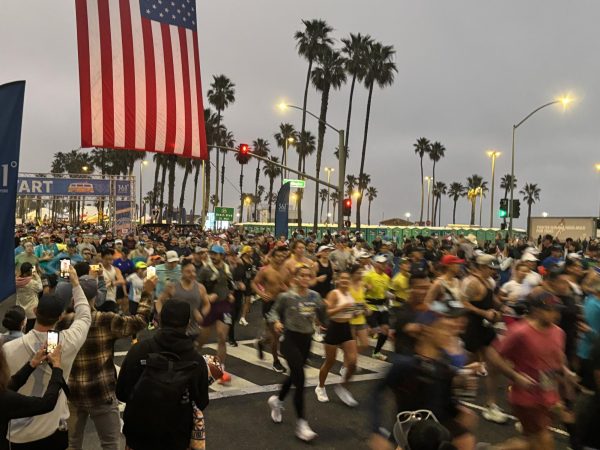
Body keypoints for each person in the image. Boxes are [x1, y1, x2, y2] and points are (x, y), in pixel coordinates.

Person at [3, 266, 91, 449]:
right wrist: (75, 282)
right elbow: (84, 316)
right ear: (60, 317)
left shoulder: (8, 349)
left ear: (35, 312)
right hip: (53, 430)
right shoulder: (67, 342)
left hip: (18, 435)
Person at [65, 274, 153, 450]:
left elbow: (51, 354)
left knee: (72, 444)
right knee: (110, 443)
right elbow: (140, 321)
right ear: (96, 296)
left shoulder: (63, 322)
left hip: (72, 392)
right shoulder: (106, 319)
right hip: (101, 391)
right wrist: (147, 294)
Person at [368, 312, 478, 450]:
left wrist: (459, 410)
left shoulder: (444, 365)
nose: (449, 334)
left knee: (466, 440)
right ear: (428, 330)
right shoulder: (406, 364)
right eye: (443, 329)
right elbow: (376, 393)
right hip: (410, 435)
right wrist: (377, 432)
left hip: (436, 434)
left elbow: (443, 401)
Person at [488, 291, 577, 450]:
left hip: (550, 395)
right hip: (527, 398)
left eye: (557, 310)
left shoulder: (559, 332)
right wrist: (515, 376)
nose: (555, 314)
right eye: (550, 310)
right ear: (536, 311)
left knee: (533, 442)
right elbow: (493, 355)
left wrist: (566, 372)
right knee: (544, 443)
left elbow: (558, 356)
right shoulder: (519, 332)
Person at [116, 299, 209, 450]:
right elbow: (201, 402)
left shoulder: (140, 350)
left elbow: (121, 393)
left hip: (139, 434)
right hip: (176, 436)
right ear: (187, 323)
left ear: (159, 320)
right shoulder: (195, 360)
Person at [267, 265, 327, 442]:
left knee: (294, 375)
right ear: (295, 278)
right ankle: (302, 424)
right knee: (300, 379)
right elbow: (272, 313)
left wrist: (327, 323)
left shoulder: (315, 297)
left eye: (309, 276)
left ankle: (277, 401)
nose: (306, 278)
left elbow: (324, 317)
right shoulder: (287, 297)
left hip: (306, 340)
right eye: (302, 275)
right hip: (289, 339)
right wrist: (277, 322)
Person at [461, 253, 507, 424]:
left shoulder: (488, 281)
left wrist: (501, 306)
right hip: (473, 328)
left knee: (494, 364)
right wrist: (484, 313)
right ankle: (446, 389)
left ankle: (491, 404)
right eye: (490, 267)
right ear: (481, 267)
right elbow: (463, 303)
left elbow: (491, 297)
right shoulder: (471, 282)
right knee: (465, 362)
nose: (493, 270)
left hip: (486, 328)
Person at [0, 343, 64, 450]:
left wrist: (32, 364)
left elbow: (9, 388)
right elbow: (46, 403)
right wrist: (57, 367)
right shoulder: (4, 399)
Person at [315, 270, 359, 407]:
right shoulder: (334, 294)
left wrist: (356, 312)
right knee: (330, 361)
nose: (345, 281)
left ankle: (342, 387)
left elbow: (350, 313)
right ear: (338, 280)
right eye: (343, 279)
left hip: (346, 328)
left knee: (352, 363)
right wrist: (342, 307)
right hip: (334, 328)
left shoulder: (349, 294)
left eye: (347, 279)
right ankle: (320, 387)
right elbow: (327, 312)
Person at [197, 245, 234, 383]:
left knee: (222, 337)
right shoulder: (205, 270)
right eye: (211, 253)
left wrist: (231, 294)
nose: (213, 256)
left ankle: (220, 370)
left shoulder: (227, 268)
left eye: (216, 254)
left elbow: (231, 284)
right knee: (202, 339)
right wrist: (206, 296)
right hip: (209, 306)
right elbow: (197, 287)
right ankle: (191, 361)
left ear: (222, 256)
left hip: (224, 306)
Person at [252, 246, 289, 373]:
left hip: (282, 304)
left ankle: (261, 343)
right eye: (277, 256)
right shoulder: (266, 271)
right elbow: (254, 283)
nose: (280, 258)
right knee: (275, 335)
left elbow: (289, 287)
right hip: (269, 304)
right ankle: (276, 361)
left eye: (282, 256)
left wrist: (287, 290)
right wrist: (261, 294)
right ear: (272, 257)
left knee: (274, 336)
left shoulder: (286, 271)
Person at [157, 260, 211, 337]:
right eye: (188, 272)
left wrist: (202, 314)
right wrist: (161, 314)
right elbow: (159, 302)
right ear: (182, 272)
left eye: (194, 271)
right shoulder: (172, 287)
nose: (192, 274)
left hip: (193, 330)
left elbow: (207, 304)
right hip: (174, 331)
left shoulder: (200, 287)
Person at [364, 255, 392, 360]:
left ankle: (376, 352)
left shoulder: (386, 277)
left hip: (382, 306)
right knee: (375, 330)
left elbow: (385, 291)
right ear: (376, 264)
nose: (384, 265)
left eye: (385, 263)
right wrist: (366, 288)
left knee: (385, 331)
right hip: (370, 306)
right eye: (382, 263)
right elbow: (360, 291)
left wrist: (390, 297)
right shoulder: (369, 276)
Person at [16, 262, 43, 332]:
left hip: (20, 309)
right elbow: (40, 288)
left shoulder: (16, 281)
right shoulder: (32, 283)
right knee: (29, 330)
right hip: (31, 311)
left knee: (20, 328)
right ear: (29, 271)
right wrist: (36, 275)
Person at [97, 249, 126, 313]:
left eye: (110, 259)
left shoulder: (115, 269)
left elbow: (122, 281)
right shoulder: (96, 267)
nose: (108, 261)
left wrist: (112, 283)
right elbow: (89, 274)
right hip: (99, 298)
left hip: (111, 298)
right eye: (106, 259)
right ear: (102, 258)